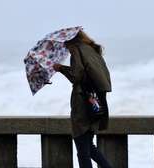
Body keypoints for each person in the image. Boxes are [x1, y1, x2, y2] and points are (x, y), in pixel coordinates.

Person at [53, 30, 112, 168]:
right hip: (95, 102)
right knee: (88, 147)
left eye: (65, 42)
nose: (64, 46)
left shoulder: (77, 50)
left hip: (83, 104)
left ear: (70, 40)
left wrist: (61, 68)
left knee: (82, 149)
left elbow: (76, 76)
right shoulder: (91, 50)